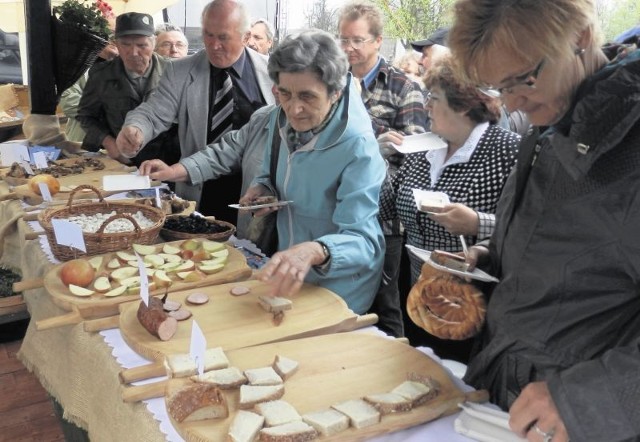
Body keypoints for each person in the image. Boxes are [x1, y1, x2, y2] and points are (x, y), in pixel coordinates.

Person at [448, 1, 640, 441]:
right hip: (505, 398)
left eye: (523, 79)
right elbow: (559, 249)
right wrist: (486, 261)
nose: (511, 102)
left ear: (580, 38)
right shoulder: (549, 122)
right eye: (498, 87)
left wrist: (586, 397)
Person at [241, 30, 385, 315]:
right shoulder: (279, 117)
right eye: (285, 93)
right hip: (289, 275)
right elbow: (269, 170)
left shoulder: (358, 146)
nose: (294, 109)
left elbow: (364, 242)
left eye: (308, 96)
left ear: (336, 92)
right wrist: (263, 188)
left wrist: (314, 250)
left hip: (340, 290)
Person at [117, 0, 275, 224]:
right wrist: (135, 129)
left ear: (245, 36)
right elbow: (153, 112)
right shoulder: (180, 71)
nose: (214, 45)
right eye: (208, 35)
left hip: (253, 195)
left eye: (223, 37)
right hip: (198, 189)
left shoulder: (272, 73)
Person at [338, 1, 428, 338]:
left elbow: (418, 157)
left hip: (383, 218)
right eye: (343, 40)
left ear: (378, 40)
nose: (348, 48)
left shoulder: (405, 87)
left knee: (385, 303)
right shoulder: (334, 85)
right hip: (337, 209)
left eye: (357, 40)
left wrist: (369, 134)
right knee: (341, 300)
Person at [138, 104, 275, 239]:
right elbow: (223, 153)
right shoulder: (263, 117)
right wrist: (172, 171)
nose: (276, 89)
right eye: (279, 87)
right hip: (254, 235)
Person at [77, 12, 180, 167]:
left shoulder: (174, 71)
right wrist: (109, 142)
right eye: (125, 44)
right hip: (124, 162)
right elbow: (85, 116)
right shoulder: (101, 75)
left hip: (169, 161)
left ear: (153, 44)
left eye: (141, 45)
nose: (133, 52)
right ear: (116, 44)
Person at [59, 41, 119, 143]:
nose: (114, 40)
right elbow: (68, 102)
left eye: (117, 35)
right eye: (110, 34)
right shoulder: (78, 66)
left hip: (119, 146)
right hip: (84, 142)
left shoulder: (129, 67)